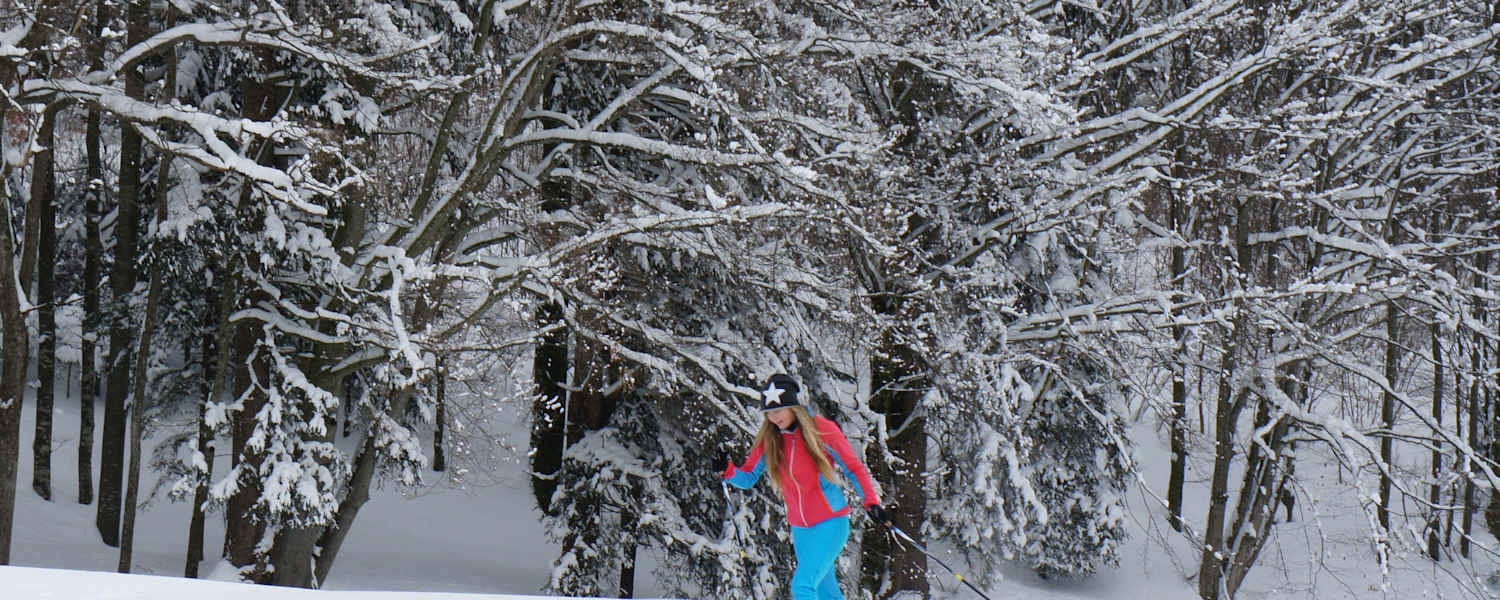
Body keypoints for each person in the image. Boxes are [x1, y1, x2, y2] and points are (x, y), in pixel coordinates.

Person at [722, 373, 892, 600]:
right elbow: (748, 477)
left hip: (830, 523)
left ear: (793, 406)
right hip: (801, 530)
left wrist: (871, 502)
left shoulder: (821, 429)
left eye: (778, 410)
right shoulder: (771, 439)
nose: (773, 417)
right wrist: (726, 470)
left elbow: (853, 468)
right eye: (769, 412)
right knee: (826, 593)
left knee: (803, 586)